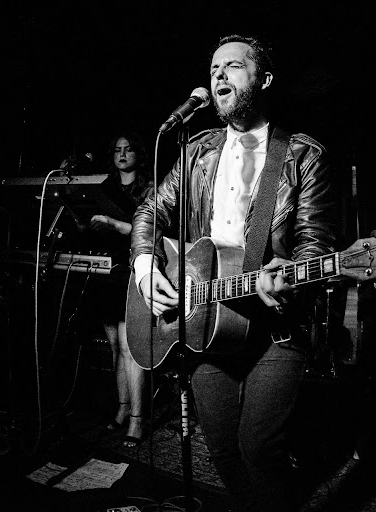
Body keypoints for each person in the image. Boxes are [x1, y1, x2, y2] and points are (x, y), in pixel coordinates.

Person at [130, 35, 340, 511]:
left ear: (263, 80)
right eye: (213, 68)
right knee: (222, 450)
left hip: (276, 329)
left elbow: (315, 242)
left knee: (259, 448)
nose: (218, 75)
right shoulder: (196, 151)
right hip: (206, 322)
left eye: (233, 66)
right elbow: (150, 211)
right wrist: (146, 269)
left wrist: (291, 270)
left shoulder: (303, 155)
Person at [93, 130, 153, 448]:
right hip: (108, 273)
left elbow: (155, 231)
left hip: (136, 272)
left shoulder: (149, 188)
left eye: (128, 148)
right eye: (117, 149)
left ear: (137, 154)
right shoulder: (104, 189)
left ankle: (137, 421)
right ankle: (122, 408)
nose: (122, 153)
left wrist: (118, 226)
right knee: (115, 346)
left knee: (132, 348)